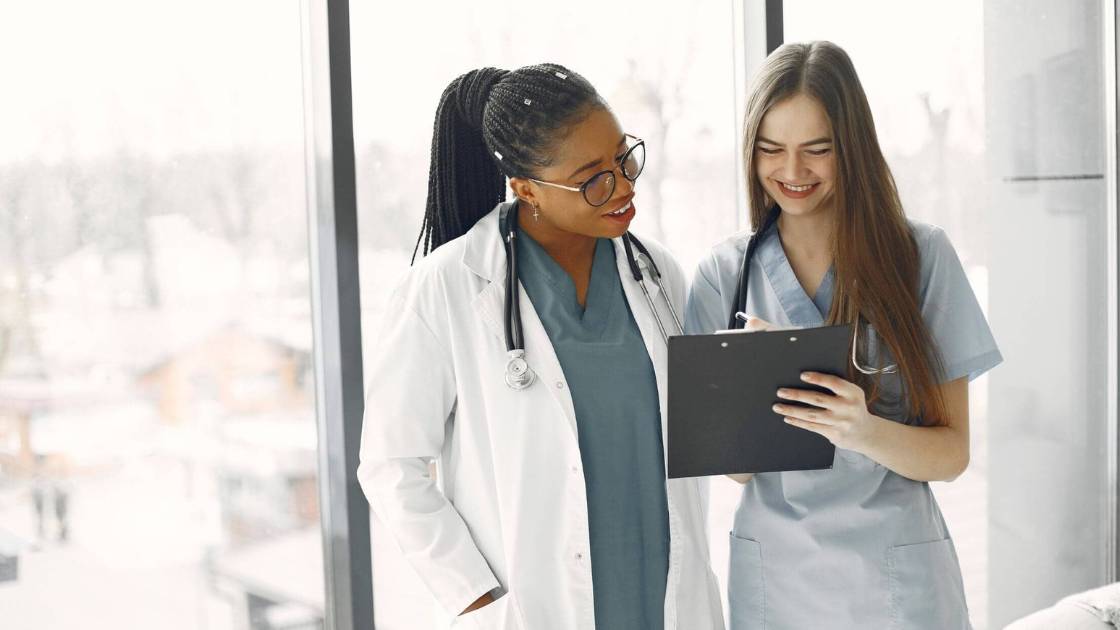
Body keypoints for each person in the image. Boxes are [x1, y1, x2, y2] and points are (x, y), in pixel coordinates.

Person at [358, 64, 723, 630]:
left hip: (663, 596)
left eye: (625, 158)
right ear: (526, 187)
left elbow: (698, 431)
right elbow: (390, 465)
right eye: (594, 177)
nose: (624, 187)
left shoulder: (656, 275)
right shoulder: (448, 287)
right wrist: (476, 596)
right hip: (535, 609)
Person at [684, 41, 1002, 629]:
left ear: (851, 148)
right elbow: (734, 471)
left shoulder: (919, 258)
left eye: (817, 150)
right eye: (771, 149)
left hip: (896, 583)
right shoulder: (724, 274)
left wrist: (862, 429)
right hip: (777, 580)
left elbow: (951, 454)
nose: (792, 172)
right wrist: (753, 393)